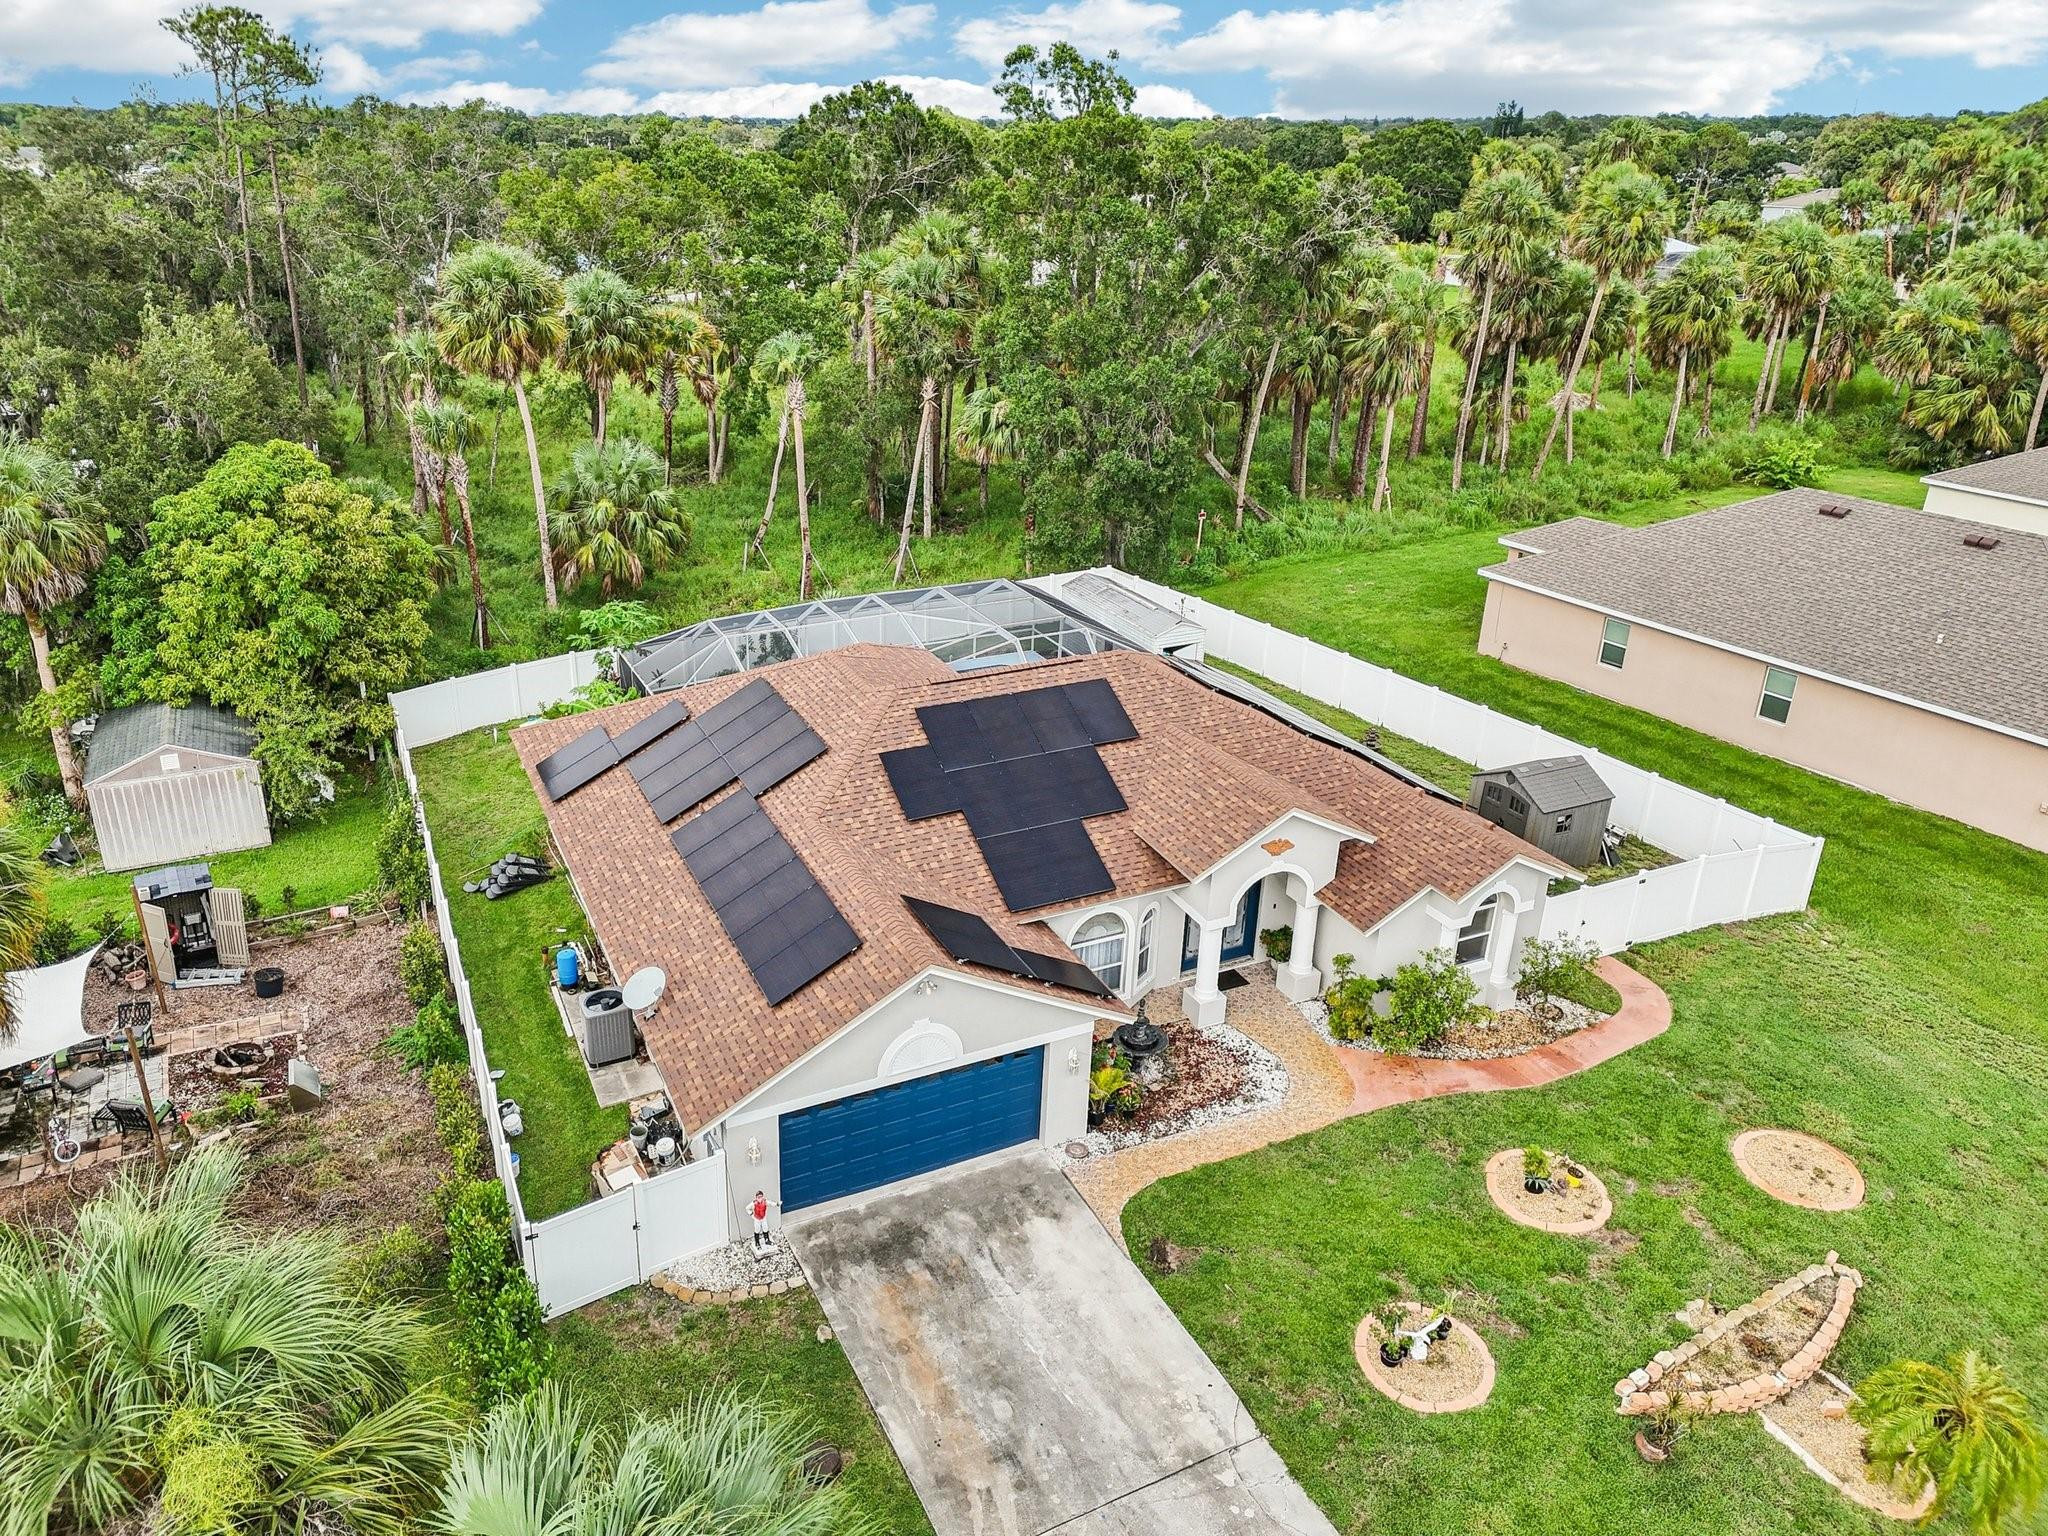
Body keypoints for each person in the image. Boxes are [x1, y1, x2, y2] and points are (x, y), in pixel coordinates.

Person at [750, 1189, 780, 1255]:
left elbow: (771, 1203)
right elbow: (747, 1208)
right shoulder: (754, 1203)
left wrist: (777, 1204)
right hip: (757, 1219)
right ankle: (757, 1243)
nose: (760, 1199)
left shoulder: (765, 1202)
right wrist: (752, 1215)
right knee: (757, 1230)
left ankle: (767, 1240)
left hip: (763, 1218)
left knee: (765, 1228)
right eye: (758, 1197)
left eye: (761, 1197)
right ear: (756, 1198)